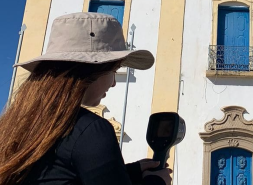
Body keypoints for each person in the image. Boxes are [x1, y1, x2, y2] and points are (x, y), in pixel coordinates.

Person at [0, 12, 172, 185]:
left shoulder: (17, 127)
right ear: (92, 69)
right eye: (114, 69)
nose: (113, 83)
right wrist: (156, 182)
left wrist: (127, 172)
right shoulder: (91, 129)